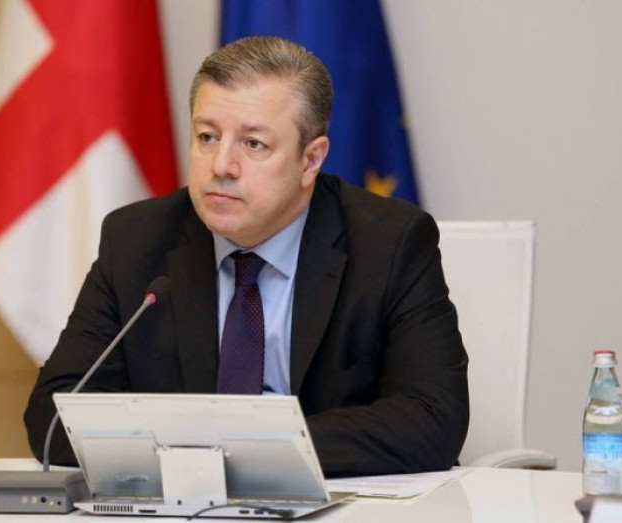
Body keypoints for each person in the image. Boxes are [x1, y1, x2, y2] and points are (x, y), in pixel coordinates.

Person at [24, 36, 468, 477]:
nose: (221, 165)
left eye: (253, 144)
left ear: (310, 161)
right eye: (207, 137)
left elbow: (432, 419)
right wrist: (207, 452)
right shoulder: (137, 240)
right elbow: (54, 415)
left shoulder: (389, 243)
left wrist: (246, 447)